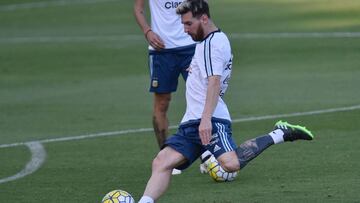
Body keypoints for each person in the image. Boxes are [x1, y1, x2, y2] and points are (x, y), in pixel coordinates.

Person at [137, 0, 314, 202]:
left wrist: (205, 121)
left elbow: (214, 83)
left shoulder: (214, 43)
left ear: (204, 18)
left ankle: (280, 133)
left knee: (231, 164)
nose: (184, 30)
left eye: (188, 24)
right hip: (191, 121)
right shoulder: (205, 42)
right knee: (161, 162)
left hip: (211, 119)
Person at [133, 0, 210, 175]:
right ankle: (166, 155)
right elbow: (138, 9)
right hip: (161, 50)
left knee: (202, 98)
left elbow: (202, 7)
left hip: (191, 47)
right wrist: (147, 32)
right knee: (162, 103)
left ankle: (207, 154)